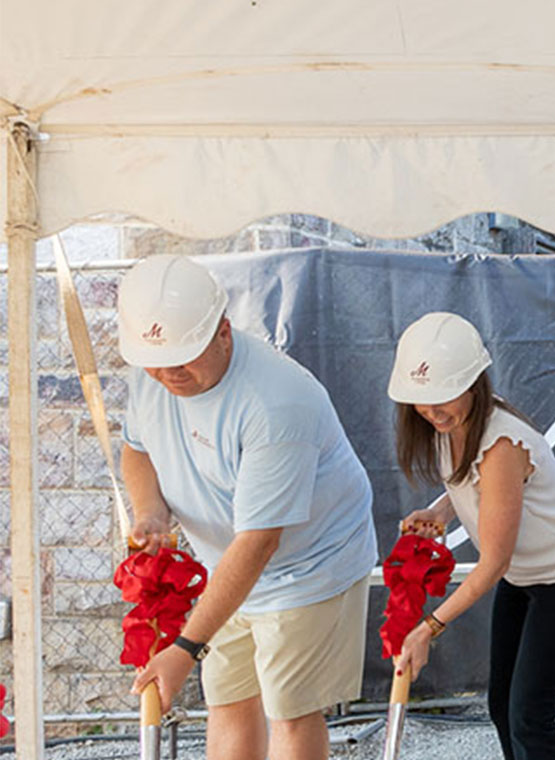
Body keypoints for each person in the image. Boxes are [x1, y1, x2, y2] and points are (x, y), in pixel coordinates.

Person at [117, 255, 377, 760]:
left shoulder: (277, 401)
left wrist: (186, 648)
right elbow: (137, 448)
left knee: (291, 710)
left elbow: (260, 542)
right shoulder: (151, 374)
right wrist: (150, 511)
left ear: (223, 333)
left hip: (309, 566)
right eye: (157, 360)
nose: (169, 373)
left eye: (184, 356)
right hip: (227, 565)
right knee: (229, 699)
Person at [386, 312, 555, 760]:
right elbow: (473, 486)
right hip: (525, 578)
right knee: (501, 706)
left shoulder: (503, 442)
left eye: (444, 396)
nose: (432, 410)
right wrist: (439, 511)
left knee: (530, 715)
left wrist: (428, 628)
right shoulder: (449, 425)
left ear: (473, 382)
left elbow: (493, 562)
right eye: (420, 399)